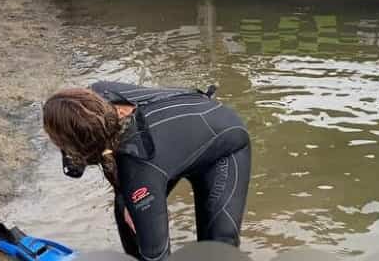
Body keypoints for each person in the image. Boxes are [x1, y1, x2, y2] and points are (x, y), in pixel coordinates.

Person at [43, 82, 252, 261]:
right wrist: (127, 200)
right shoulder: (95, 100)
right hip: (172, 143)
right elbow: (98, 158)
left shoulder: (137, 171)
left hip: (224, 143)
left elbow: (157, 255)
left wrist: (135, 203)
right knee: (124, 205)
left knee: (218, 248)